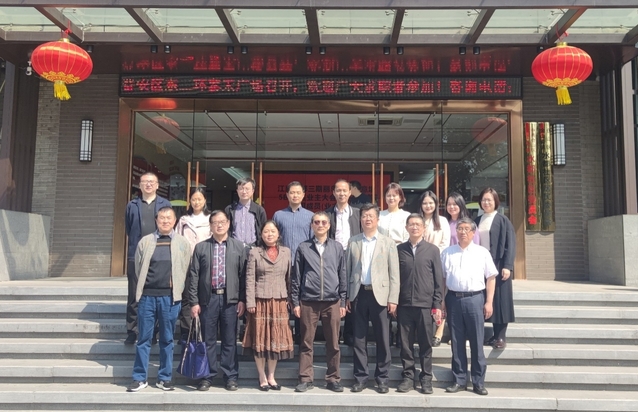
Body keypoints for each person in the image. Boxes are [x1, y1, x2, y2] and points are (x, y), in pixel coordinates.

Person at [127, 206, 191, 392]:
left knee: (167, 339)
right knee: (144, 339)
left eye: (169, 218)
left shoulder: (182, 243)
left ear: (175, 221)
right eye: (162, 218)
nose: (165, 221)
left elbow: (185, 268)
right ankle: (139, 378)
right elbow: (138, 268)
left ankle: (164, 377)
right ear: (156, 220)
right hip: (147, 297)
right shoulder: (145, 241)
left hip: (170, 298)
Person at [187, 210, 249, 392]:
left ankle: (230, 376)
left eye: (222, 222)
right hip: (208, 299)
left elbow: (243, 276)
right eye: (215, 222)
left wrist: (242, 299)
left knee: (230, 340)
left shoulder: (239, 247)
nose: (219, 225)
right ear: (211, 225)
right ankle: (207, 376)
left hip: (231, 300)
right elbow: (193, 276)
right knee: (208, 340)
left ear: (228, 224)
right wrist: (194, 301)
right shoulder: (201, 247)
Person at [346, 203, 400, 394]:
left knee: (383, 338)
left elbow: (394, 274)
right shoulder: (353, 241)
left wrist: (393, 298)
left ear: (377, 219)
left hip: (381, 296)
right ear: (360, 219)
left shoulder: (388, 242)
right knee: (358, 339)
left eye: (370, 216)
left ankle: (382, 378)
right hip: (358, 293)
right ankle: (360, 377)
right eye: (364, 216)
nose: (367, 219)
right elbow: (347, 271)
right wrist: (347, 296)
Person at [441, 217, 497, 396]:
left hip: (475, 299)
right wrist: (442, 301)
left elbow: (491, 278)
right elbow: (442, 279)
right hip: (453, 299)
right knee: (456, 341)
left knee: (476, 341)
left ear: (473, 233)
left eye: (467, 229)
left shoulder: (482, 252)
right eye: (460, 229)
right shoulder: (447, 252)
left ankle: (478, 382)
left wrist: (489, 301)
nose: (463, 232)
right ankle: (459, 380)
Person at [291, 211, 347, 393]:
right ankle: (305, 378)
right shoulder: (303, 247)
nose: (320, 225)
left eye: (324, 222)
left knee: (334, 343)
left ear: (329, 225)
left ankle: (333, 378)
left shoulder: (337, 247)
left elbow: (342, 275)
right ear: (312, 225)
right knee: (306, 342)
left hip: (332, 301)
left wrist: (343, 301)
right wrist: (295, 302)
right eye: (317, 222)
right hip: (309, 300)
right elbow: (296, 277)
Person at [242, 221, 294, 391]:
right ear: (261, 234)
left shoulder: (286, 252)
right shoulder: (254, 252)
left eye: (272, 231)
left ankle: (271, 375)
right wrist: (250, 302)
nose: (269, 234)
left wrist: (290, 299)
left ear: (278, 234)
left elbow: (289, 278)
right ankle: (261, 376)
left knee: (275, 339)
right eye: (266, 231)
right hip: (260, 301)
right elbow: (250, 279)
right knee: (260, 338)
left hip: (279, 301)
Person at [396, 213, 443, 394]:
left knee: (425, 344)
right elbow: (395, 278)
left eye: (418, 224)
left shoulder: (432, 250)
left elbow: (438, 280)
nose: (414, 227)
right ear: (406, 228)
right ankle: (408, 377)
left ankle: (426, 378)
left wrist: (437, 304)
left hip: (425, 304)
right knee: (405, 344)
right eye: (411, 224)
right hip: (404, 304)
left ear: (424, 228)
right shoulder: (399, 250)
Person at [124, 172, 171, 345]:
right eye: (145, 181)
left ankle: (153, 332)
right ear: (140, 185)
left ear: (157, 185)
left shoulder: (165, 204)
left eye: (152, 182)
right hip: (136, 255)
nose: (148, 184)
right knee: (134, 294)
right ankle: (132, 330)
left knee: (155, 294)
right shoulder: (132, 205)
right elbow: (129, 228)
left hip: (160, 255)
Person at [475, 187, 516, 350]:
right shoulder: (477, 220)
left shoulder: (503, 220)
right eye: (483, 200)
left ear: (495, 202)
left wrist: (508, 266)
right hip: (480, 264)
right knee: (486, 298)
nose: (486, 203)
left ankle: (500, 336)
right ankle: (492, 334)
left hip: (498, 264)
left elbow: (510, 244)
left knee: (500, 299)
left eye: (489, 200)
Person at [272, 181, 313, 343]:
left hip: (303, 264)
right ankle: (282, 335)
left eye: (298, 192)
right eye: (292, 193)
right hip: (283, 263)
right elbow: (273, 239)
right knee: (283, 296)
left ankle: (300, 336)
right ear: (287, 195)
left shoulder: (310, 216)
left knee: (300, 298)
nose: (295, 195)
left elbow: (312, 241)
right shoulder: (278, 215)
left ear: (303, 195)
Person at [325, 179, 361, 346]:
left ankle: (349, 334)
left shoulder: (357, 213)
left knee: (351, 293)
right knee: (335, 292)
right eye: (338, 190)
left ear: (350, 192)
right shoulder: (327, 214)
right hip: (333, 257)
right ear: (334, 193)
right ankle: (334, 334)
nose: (341, 193)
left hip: (353, 256)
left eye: (344, 190)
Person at [175, 188, 211, 340]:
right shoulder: (184, 220)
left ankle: (203, 333)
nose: (196, 202)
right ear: (189, 201)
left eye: (199, 199)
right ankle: (187, 333)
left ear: (205, 200)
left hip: (205, 264)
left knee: (204, 298)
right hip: (187, 264)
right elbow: (177, 241)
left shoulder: (210, 219)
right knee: (187, 299)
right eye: (194, 199)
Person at [377, 182, 409, 347]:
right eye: (388, 195)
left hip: (400, 256)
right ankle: (387, 331)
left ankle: (400, 333)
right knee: (384, 294)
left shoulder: (406, 216)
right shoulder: (379, 215)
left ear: (400, 197)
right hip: (381, 258)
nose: (391, 198)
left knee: (399, 294)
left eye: (394, 195)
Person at [224, 177, 267, 246]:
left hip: (253, 247)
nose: (244, 192)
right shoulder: (230, 209)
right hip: (234, 247)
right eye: (241, 189)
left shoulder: (259, 210)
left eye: (247, 189)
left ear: (252, 191)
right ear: (237, 190)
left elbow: (264, 230)